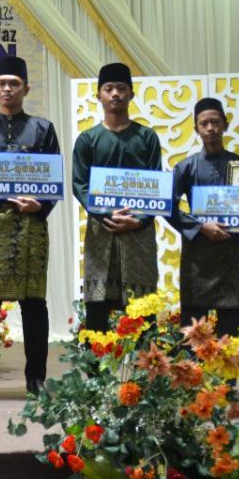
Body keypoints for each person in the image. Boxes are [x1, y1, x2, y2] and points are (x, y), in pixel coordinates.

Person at [0, 55, 60, 398]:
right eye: (2, 84)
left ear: (25, 89)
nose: (8, 89)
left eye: (14, 84)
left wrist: (41, 205)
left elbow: (53, 179)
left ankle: (36, 378)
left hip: (29, 222)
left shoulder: (43, 129)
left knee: (33, 303)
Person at [167, 98, 239, 337]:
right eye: (204, 123)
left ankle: (228, 365)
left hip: (230, 255)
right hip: (197, 259)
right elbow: (167, 207)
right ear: (196, 128)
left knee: (230, 334)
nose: (210, 128)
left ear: (225, 125)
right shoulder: (185, 167)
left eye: (216, 122)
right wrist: (200, 226)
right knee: (194, 334)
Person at [71, 62, 162, 332]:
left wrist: (140, 219)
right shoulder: (87, 139)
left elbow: (156, 185)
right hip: (102, 231)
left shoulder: (147, 138)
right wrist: (106, 214)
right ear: (98, 95)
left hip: (139, 232)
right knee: (98, 306)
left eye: (121, 88)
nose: (115, 94)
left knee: (143, 309)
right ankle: (95, 360)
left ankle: (145, 360)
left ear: (131, 94)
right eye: (108, 88)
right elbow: (80, 184)